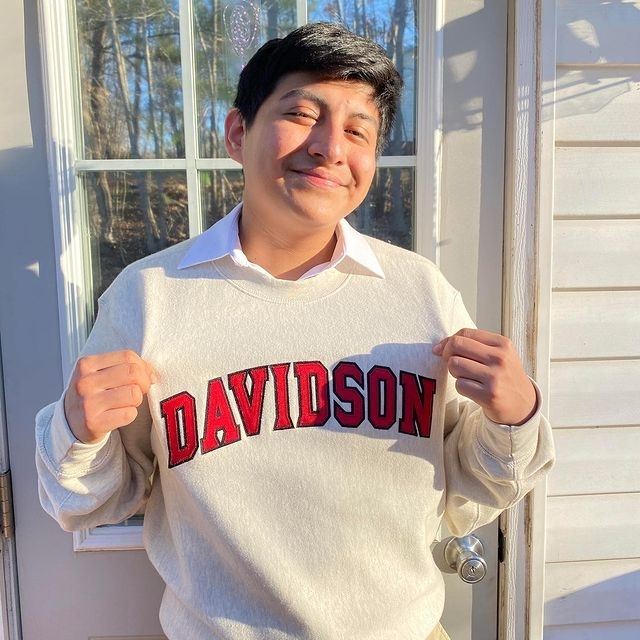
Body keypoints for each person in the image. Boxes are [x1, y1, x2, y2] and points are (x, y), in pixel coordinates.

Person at [36, 22, 554, 640]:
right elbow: (90, 502)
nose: (332, 148)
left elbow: (480, 483)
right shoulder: (148, 296)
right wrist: (78, 429)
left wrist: (515, 416)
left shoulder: (420, 291)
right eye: (303, 114)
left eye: (358, 130)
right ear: (237, 132)